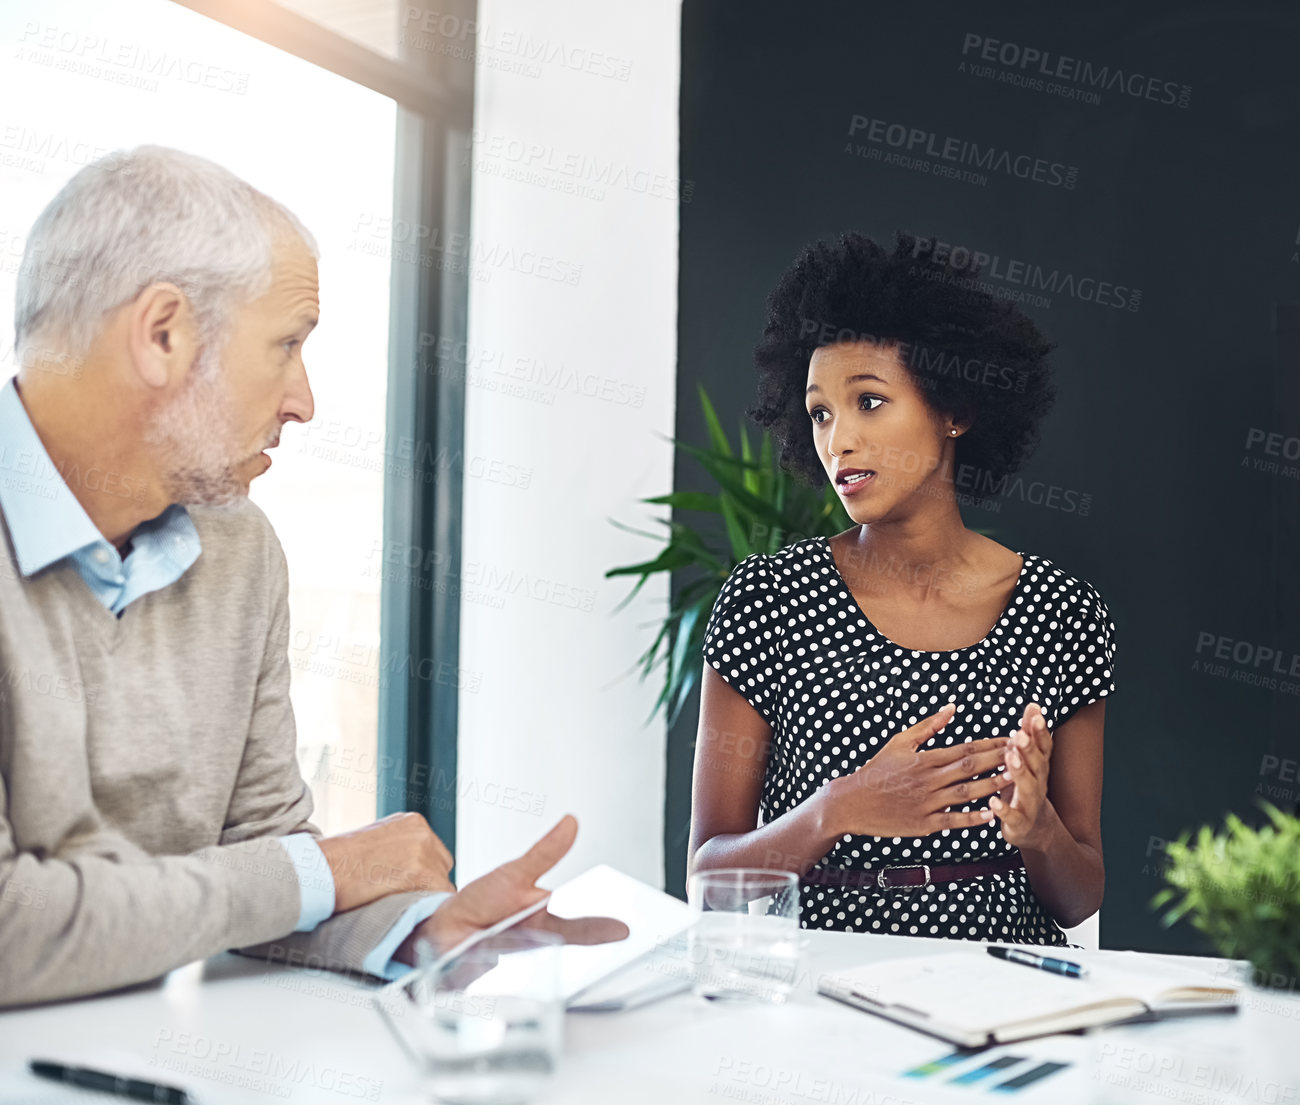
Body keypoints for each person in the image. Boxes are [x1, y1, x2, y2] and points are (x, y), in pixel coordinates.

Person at [0, 146, 619, 1009]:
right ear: (163, 333)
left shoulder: (239, 553)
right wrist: (324, 868)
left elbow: (267, 863)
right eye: (286, 344)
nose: (305, 400)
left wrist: (416, 928)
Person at [688, 232, 1115, 945]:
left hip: (1002, 994)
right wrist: (839, 807)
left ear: (954, 409)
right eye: (821, 412)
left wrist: (1038, 829)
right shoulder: (766, 602)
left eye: (869, 402)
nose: (838, 441)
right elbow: (708, 882)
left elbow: (1078, 899)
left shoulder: (1061, 612)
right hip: (822, 991)